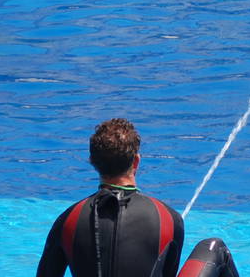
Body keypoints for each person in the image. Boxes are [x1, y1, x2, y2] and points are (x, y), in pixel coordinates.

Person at [36, 119, 186, 277]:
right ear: (136, 161)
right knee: (211, 247)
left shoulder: (68, 219)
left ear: (92, 162)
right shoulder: (168, 218)